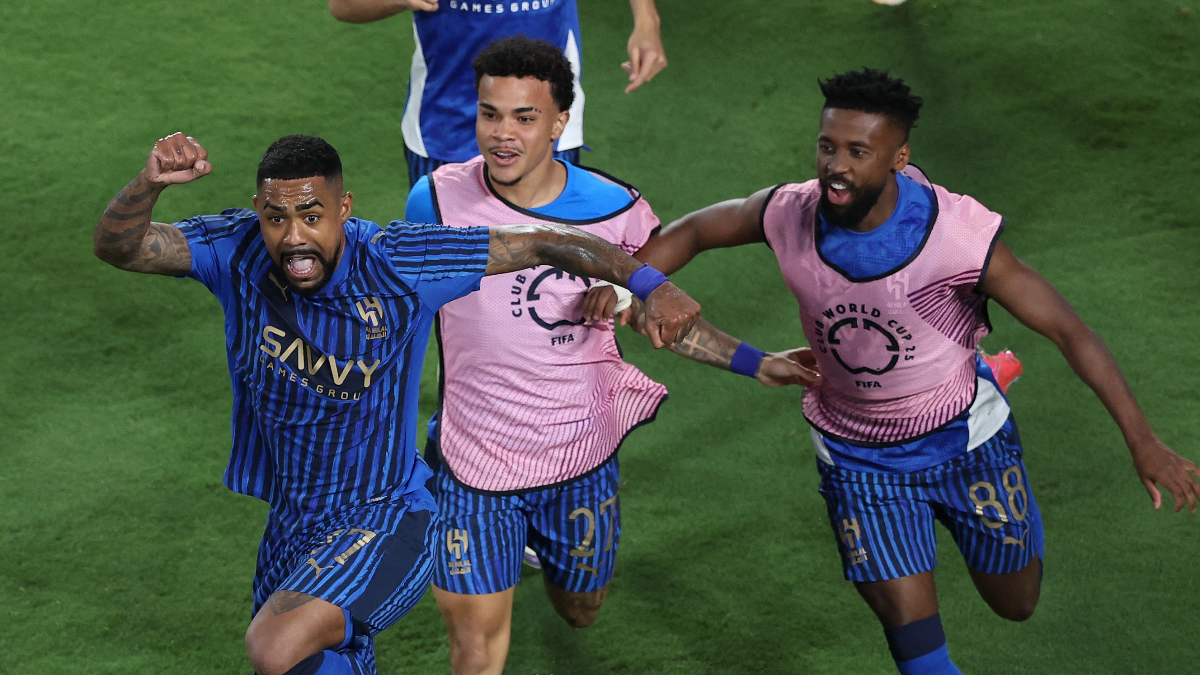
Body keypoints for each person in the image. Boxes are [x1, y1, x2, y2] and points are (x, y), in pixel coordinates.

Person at [587, 68, 1200, 674]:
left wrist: (1143, 442)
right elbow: (694, 229)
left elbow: (1070, 330)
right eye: (828, 146)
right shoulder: (789, 212)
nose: (836, 165)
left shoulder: (955, 236)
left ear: (899, 156)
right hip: (858, 456)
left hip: (966, 442)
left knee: (1017, 603)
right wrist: (627, 288)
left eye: (858, 151)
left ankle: (984, 372)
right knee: (918, 652)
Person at [91, 132, 699, 675]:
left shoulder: (400, 262)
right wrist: (149, 183)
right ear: (258, 214)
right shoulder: (235, 249)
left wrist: (651, 284)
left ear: (344, 208)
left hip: (386, 518)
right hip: (293, 523)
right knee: (304, 665)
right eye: (276, 218)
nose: (294, 236)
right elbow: (124, 247)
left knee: (273, 647)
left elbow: (548, 240)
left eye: (311, 214)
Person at [404, 36, 817, 675]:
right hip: (471, 463)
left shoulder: (617, 210)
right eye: (490, 114)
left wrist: (755, 362)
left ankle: (539, 552)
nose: (502, 135)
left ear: (560, 121)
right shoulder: (434, 201)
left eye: (524, 117)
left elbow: (662, 316)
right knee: (475, 650)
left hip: (579, 457)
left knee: (582, 608)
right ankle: (501, 540)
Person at [327, 0, 668, 186]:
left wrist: (647, 22)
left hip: (546, 131)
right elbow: (343, 5)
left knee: (546, 272)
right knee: (448, 276)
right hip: (443, 132)